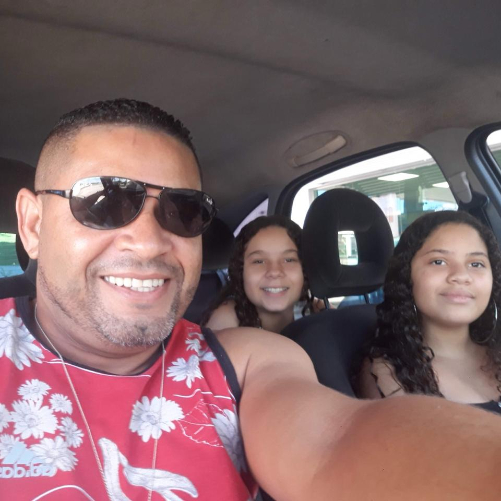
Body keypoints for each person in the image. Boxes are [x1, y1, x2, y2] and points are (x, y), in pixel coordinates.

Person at [2, 98, 501, 500]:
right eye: (104, 203)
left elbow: (332, 444)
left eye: (183, 211)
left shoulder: (249, 361)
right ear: (33, 225)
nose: (150, 243)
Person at [358, 211, 501, 414]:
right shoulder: (389, 373)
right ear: (407, 276)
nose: (461, 275)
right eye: (438, 261)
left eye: (476, 264)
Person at [203, 215, 314, 333]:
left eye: (289, 260)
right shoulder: (225, 322)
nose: (274, 272)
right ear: (240, 272)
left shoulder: (314, 312)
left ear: (304, 269)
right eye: (259, 261)